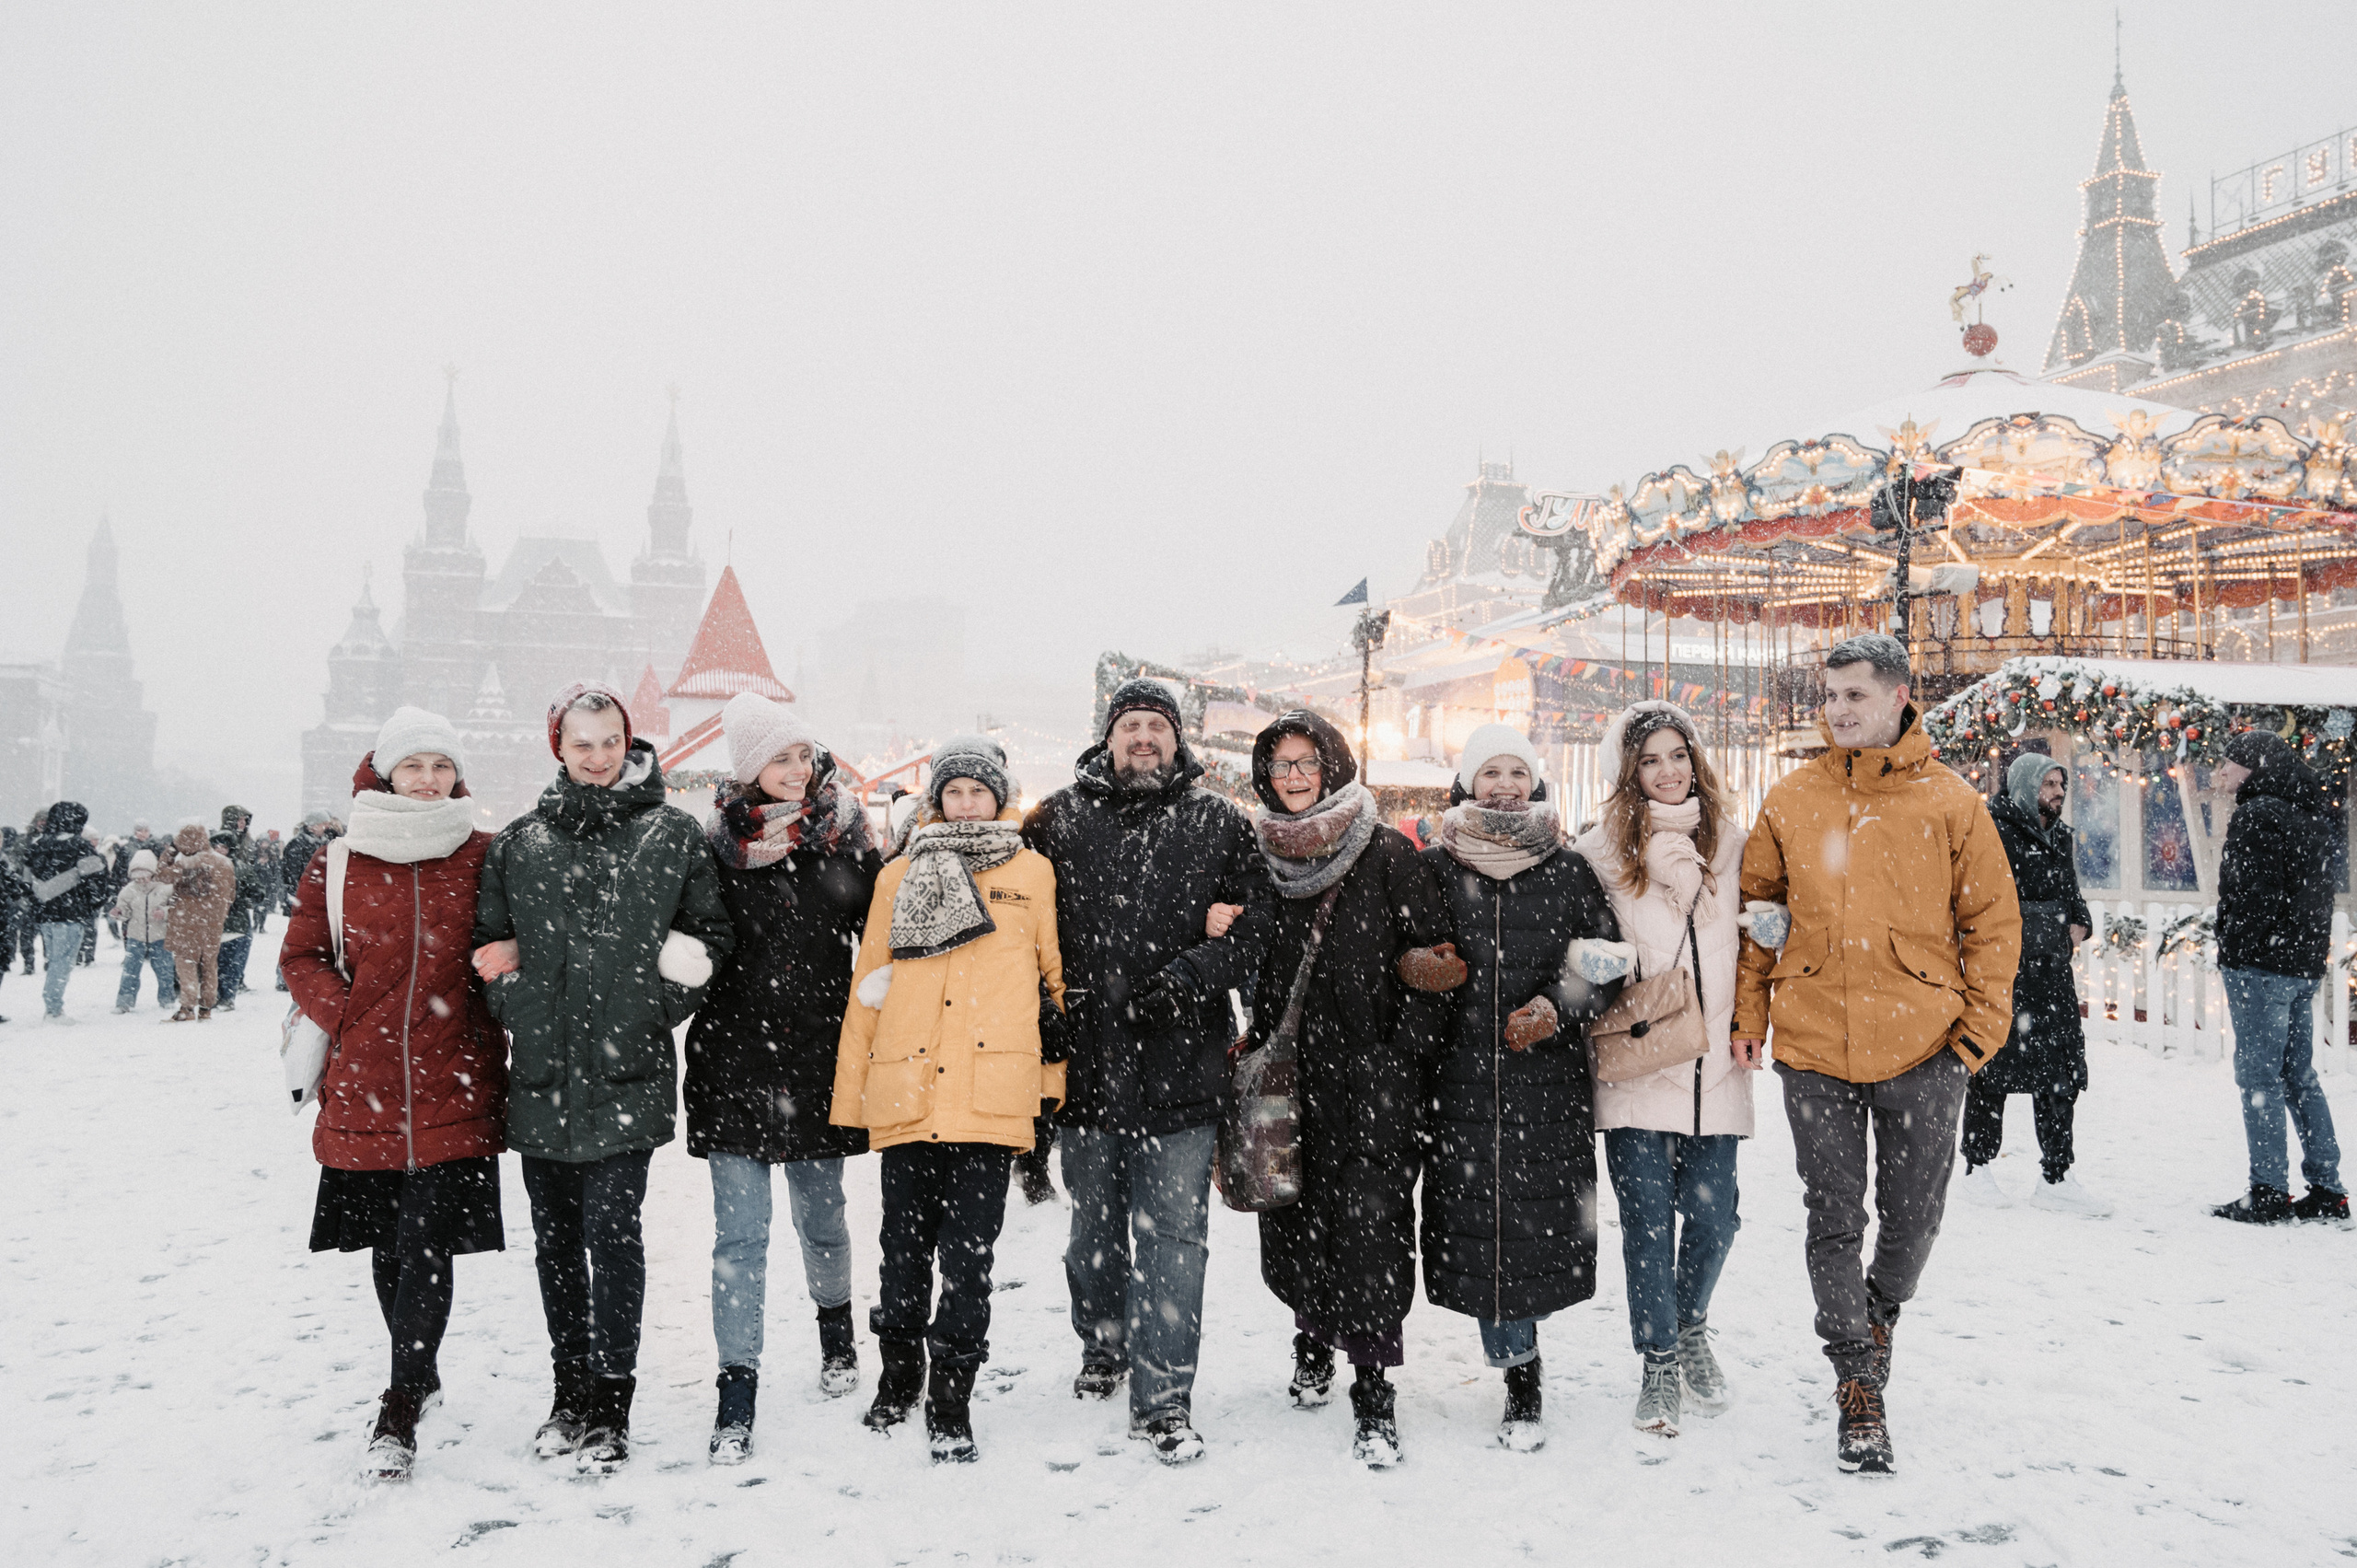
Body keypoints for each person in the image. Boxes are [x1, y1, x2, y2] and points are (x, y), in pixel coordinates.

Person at [1732, 633, 2020, 1476]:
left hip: (1924, 1046)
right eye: (1829, 696)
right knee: (1833, 1216)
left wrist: (1975, 1036)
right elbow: (1759, 920)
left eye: (1854, 695)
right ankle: (1857, 1379)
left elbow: (1993, 927)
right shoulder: (1792, 798)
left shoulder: (1951, 802)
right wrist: (1755, 1013)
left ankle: (1881, 1310)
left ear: (1900, 696)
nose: (1837, 710)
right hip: (1816, 1043)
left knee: (1914, 1218)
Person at [471, 680, 734, 1475]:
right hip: (545, 1075)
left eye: (609, 741)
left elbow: (708, 932)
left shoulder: (671, 833)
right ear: (559, 746)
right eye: (581, 742)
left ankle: (611, 1403)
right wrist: (516, 1000)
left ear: (629, 742)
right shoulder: (520, 843)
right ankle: (569, 1391)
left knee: (613, 1239)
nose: (596, 755)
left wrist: (652, 1004)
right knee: (555, 1244)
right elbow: (489, 943)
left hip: (628, 1072)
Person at [1021, 679, 1273, 1465]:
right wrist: (1042, 1006)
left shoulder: (1221, 823)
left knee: (1173, 1236)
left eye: (1155, 727)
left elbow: (1255, 929)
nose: (1142, 738)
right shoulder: (1055, 820)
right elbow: (1016, 927)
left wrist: (1196, 972)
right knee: (1091, 1229)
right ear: (1108, 737)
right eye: (1130, 724)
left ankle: (1164, 1397)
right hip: (1089, 1064)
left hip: (1182, 1065)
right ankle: (1103, 1344)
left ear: (1178, 740)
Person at [282, 708, 507, 1483]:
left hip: (455, 1074)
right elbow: (303, 954)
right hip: (366, 1083)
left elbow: (506, 940)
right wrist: (349, 1015)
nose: (429, 779)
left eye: (442, 766)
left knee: (428, 1243)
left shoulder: (482, 854)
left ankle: (402, 1400)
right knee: (389, 1245)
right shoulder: (337, 861)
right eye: (414, 765)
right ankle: (423, 1372)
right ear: (384, 772)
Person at [832, 734, 1066, 1463]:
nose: (966, 802)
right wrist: (851, 1098)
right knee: (901, 1250)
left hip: (993, 1094)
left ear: (1001, 796)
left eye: (979, 790)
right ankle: (900, 1373)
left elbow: (1051, 982)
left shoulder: (1033, 872)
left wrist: (1049, 1084)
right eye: (954, 791)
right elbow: (868, 987)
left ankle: (952, 1395)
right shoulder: (898, 874)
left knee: (969, 1259)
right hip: (910, 1088)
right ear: (937, 800)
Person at [1245, 710, 1450, 1468]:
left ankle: (1373, 1385)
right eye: (1281, 763)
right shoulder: (1260, 857)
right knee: (1296, 1220)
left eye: (1307, 761)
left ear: (1332, 765)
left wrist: (1400, 1057)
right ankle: (1311, 1341)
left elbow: (1438, 964)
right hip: (1289, 1084)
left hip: (1374, 1084)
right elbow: (1246, 960)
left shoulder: (1389, 854)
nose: (1294, 776)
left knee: (1370, 1234)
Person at [686, 693, 882, 1465]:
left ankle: (838, 1337)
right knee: (739, 1237)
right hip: (734, 1062)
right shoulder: (712, 849)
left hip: (817, 1058)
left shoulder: (847, 840)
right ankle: (738, 1388)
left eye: (804, 755)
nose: (798, 771)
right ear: (747, 768)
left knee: (823, 1214)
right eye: (780, 758)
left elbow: (890, 932)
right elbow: (686, 947)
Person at [1421, 723, 1625, 1452]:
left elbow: (1606, 958)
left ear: (1534, 781)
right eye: (1490, 771)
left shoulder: (1569, 868)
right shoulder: (1438, 867)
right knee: (1483, 1229)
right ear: (1468, 783)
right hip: (1461, 1084)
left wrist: (1554, 1007)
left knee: (1529, 1229)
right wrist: (1423, 967)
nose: (1504, 783)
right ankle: (1513, 1361)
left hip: (1547, 1087)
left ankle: (1522, 1373)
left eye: (1516, 771)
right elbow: (1404, 946)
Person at [1571, 701, 1755, 1442]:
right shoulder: (1601, 852)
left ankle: (1689, 1324)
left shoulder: (1735, 846)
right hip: (1640, 1058)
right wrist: (1597, 961)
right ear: (1628, 771)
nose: (1668, 770)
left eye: (1678, 754)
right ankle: (1657, 1355)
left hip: (1715, 1061)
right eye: (1650, 759)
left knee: (1714, 1215)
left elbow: (1762, 939)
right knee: (1647, 1223)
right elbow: (1578, 948)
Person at [2209, 729, 2346, 1225]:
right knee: (2299, 1076)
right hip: (2300, 967)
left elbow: (2252, 895)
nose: (2222, 771)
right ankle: (2327, 1189)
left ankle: (2268, 1189)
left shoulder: (2257, 813)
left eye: (2232, 762)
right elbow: (2315, 896)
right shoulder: (2309, 815)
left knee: (2259, 1077)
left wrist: (2233, 945)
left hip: (2262, 968)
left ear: (2257, 769)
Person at [1960, 754, 2104, 1214]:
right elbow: (1989, 905)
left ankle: (2056, 1176)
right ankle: (1976, 1170)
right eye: (2049, 783)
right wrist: (2051, 922)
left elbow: (2072, 897)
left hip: (2053, 979)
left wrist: (2078, 923)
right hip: (2005, 975)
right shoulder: (1993, 832)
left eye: (2061, 783)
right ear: (2026, 786)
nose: (2059, 791)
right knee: (1991, 1073)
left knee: (2060, 1077)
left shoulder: (2059, 836)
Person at [23, 801, 112, 1021]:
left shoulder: (36, 845)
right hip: (71, 913)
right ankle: (53, 1009)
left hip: (45, 914)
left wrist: (39, 901)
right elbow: (97, 880)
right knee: (62, 962)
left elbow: (25, 881)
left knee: (54, 959)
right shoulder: (80, 846)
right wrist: (90, 905)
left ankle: (53, 1006)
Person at [159, 822, 238, 1021]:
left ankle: (187, 1007)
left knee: (186, 963)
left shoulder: (186, 863)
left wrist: (169, 852)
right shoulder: (226, 863)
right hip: (213, 922)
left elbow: (162, 875)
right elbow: (231, 894)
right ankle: (206, 1007)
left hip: (186, 921)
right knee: (209, 965)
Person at [110, 849, 178, 1014]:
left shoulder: (166, 889)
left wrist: (165, 912)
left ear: (153, 873)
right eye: (137, 877)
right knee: (130, 970)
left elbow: (179, 909)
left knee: (164, 969)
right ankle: (124, 1001)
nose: (141, 880)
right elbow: (125, 911)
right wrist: (119, 912)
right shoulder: (128, 891)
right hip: (135, 936)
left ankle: (167, 999)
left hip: (160, 936)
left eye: (145, 876)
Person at [213, 829, 272, 1011]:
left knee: (231, 964)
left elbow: (258, 891)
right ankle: (213, 995)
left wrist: (246, 900)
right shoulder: (205, 866)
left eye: (224, 846)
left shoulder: (241, 868)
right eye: (216, 846)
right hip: (210, 923)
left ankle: (227, 997)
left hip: (235, 923)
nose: (220, 850)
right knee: (213, 965)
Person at [283, 811, 334, 912]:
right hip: (303, 896)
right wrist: (298, 894)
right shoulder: (297, 844)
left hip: (321, 895)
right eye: (323, 824)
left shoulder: (325, 843)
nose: (327, 827)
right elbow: (291, 873)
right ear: (313, 825)